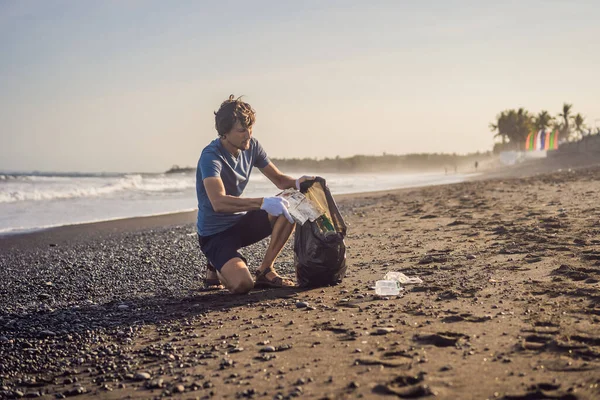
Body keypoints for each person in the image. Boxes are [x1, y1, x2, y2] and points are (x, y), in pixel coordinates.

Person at [196, 95, 313, 294]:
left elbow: (280, 180)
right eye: (242, 130)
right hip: (214, 235)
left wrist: (298, 182)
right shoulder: (211, 156)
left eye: (250, 128)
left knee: (290, 202)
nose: (248, 135)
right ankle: (216, 264)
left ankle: (265, 270)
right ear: (224, 133)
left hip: (240, 225)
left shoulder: (252, 147)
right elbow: (219, 202)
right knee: (243, 285)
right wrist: (263, 203)